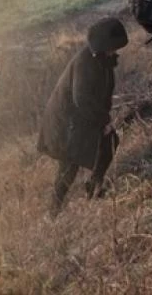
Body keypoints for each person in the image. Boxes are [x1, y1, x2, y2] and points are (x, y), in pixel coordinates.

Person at [36, 17, 128, 216]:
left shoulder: (103, 62)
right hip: (65, 124)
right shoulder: (84, 63)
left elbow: (103, 95)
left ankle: (94, 187)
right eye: (113, 47)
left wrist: (105, 120)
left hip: (81, 119)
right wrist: (103, 122)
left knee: (110, 142)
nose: (115, 52)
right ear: (103, 46)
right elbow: (82, 99)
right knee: (69, 166)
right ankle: (53, 212)